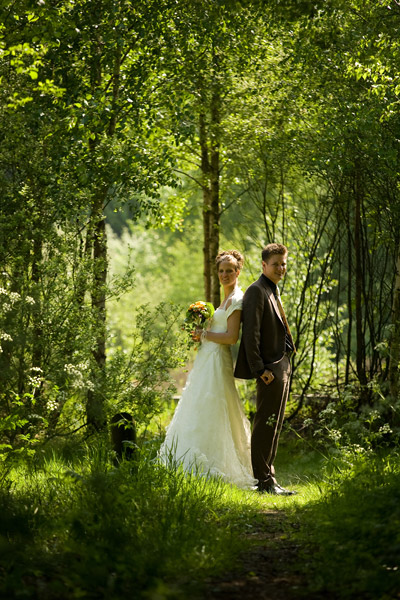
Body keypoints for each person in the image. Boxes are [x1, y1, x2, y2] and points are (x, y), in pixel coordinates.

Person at [159, 250, 257, 489]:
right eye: (221, 270)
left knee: (217, 406)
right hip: (206, 359)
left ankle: (220, 464)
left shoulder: (236, 300)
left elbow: (232, 337)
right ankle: (192, 459)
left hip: (218, 361)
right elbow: (216, 334)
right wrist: (200, 333)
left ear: (238, 271)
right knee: (199, 404)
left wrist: (204, 334)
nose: (224, 274)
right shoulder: (223, 299)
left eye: (229, 270)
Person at [234, 243, 297, 496]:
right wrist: (260, 369)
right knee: (265, 424)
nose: (281, 268)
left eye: (283, 263)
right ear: (263, 265)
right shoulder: (256, 291)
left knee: (276, 424)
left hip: (282, 364)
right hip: (269, 369)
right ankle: (263, 482)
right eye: (276, 264)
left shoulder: (272, 289)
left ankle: (270, 478)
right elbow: (251, 335)